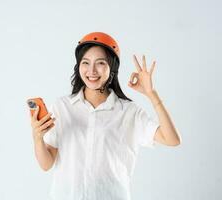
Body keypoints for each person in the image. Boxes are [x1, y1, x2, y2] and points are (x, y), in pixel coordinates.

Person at [30, 32, 181, 200]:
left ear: (112, 68)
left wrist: (151, 94)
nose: (92, 71)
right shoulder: (62, 107)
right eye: (85, 63)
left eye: (100, 63)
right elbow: (46, 164)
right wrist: (37, 137)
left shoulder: (128, 111)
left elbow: (172, 139)